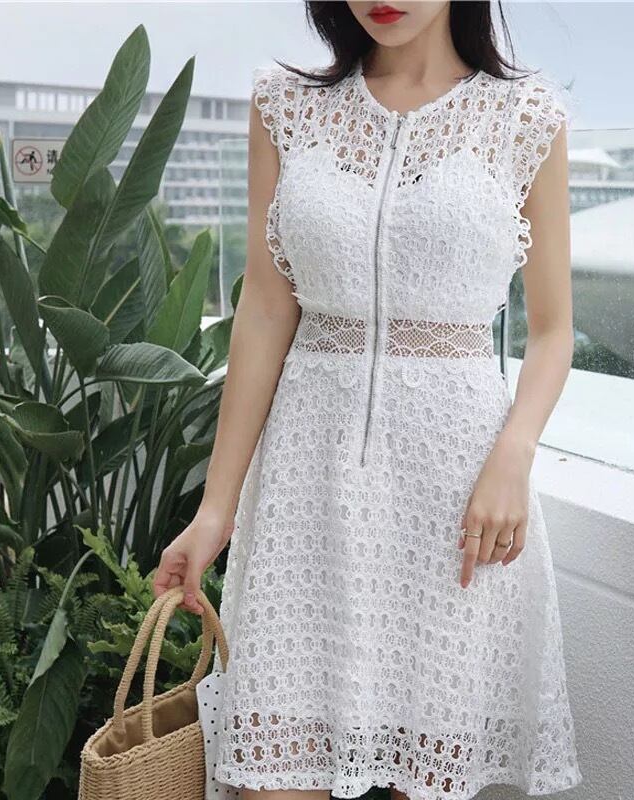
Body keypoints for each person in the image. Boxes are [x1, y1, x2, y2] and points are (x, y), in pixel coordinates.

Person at [153, 2, 582, 798]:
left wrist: (514, 457)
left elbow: (553, 331)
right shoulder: (286, 106)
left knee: (425, 775)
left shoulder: (525, 116)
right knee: (272, 770)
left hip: (457, 494)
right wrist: (217, 510)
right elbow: (266, 309)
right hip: (305, 494)